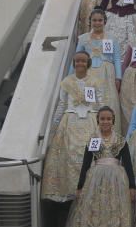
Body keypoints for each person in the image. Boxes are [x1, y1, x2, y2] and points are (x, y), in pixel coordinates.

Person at [59, 107, 136, 227]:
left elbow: (128, 164)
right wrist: (80, 186)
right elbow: (86, 163)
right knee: (97, 216)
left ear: (113, 121)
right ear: (98, 121)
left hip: (116, 182)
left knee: (115, 216)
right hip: (96, 182)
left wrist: (132, 186)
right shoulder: (93, 140)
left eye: (108, 119)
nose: (105, 122)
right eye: (102, 119)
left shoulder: (120, 141)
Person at [42, 51, 108, 202]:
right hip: (70, 120)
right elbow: (62, 104)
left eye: (83, 61)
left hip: (90, 120)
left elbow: (100, 104)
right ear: (73, 63)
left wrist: (102, 123)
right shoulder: (67, 82)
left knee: (90, 153)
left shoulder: (95, 81)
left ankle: (91, 189)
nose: (80, 64)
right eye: (77, 61)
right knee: (68, 154)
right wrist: (54, 126)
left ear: (88, 63)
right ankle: (70, 190)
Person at [74, 9, 122, 113]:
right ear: (90, 21)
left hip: (107, 74)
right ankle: (91, 125)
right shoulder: (83, 38)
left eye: (100, 20)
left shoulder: (112, 38)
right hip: (89, 73)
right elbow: (76, 58)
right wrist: (72, 76)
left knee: (108, 99)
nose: (97, 23)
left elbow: (117, 58)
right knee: (90, 100)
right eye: (94, 20)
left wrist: (118, 77)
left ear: (104, 21)